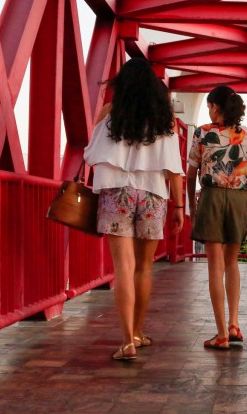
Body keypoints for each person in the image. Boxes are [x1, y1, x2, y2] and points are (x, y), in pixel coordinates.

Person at [84, 57, 184, 361]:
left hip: (116, 191)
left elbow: (90, 155)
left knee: (124, 268)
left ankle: (126, 341)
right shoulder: (164, 119)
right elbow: (174, 168)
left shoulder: (110, 114)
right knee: (144, 267)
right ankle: (138, 332)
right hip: (153, 194)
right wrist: (179, 206)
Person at [187, 85, 247, 350]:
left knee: (214, 266)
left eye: (209, 105)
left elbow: (192, 171)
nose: (208, 110)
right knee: (232, 263)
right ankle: (234, 323)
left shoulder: (203, 132)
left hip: (213, 197)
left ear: (215, 107)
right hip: (239, 198)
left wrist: (191, 204)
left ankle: (221, 335)